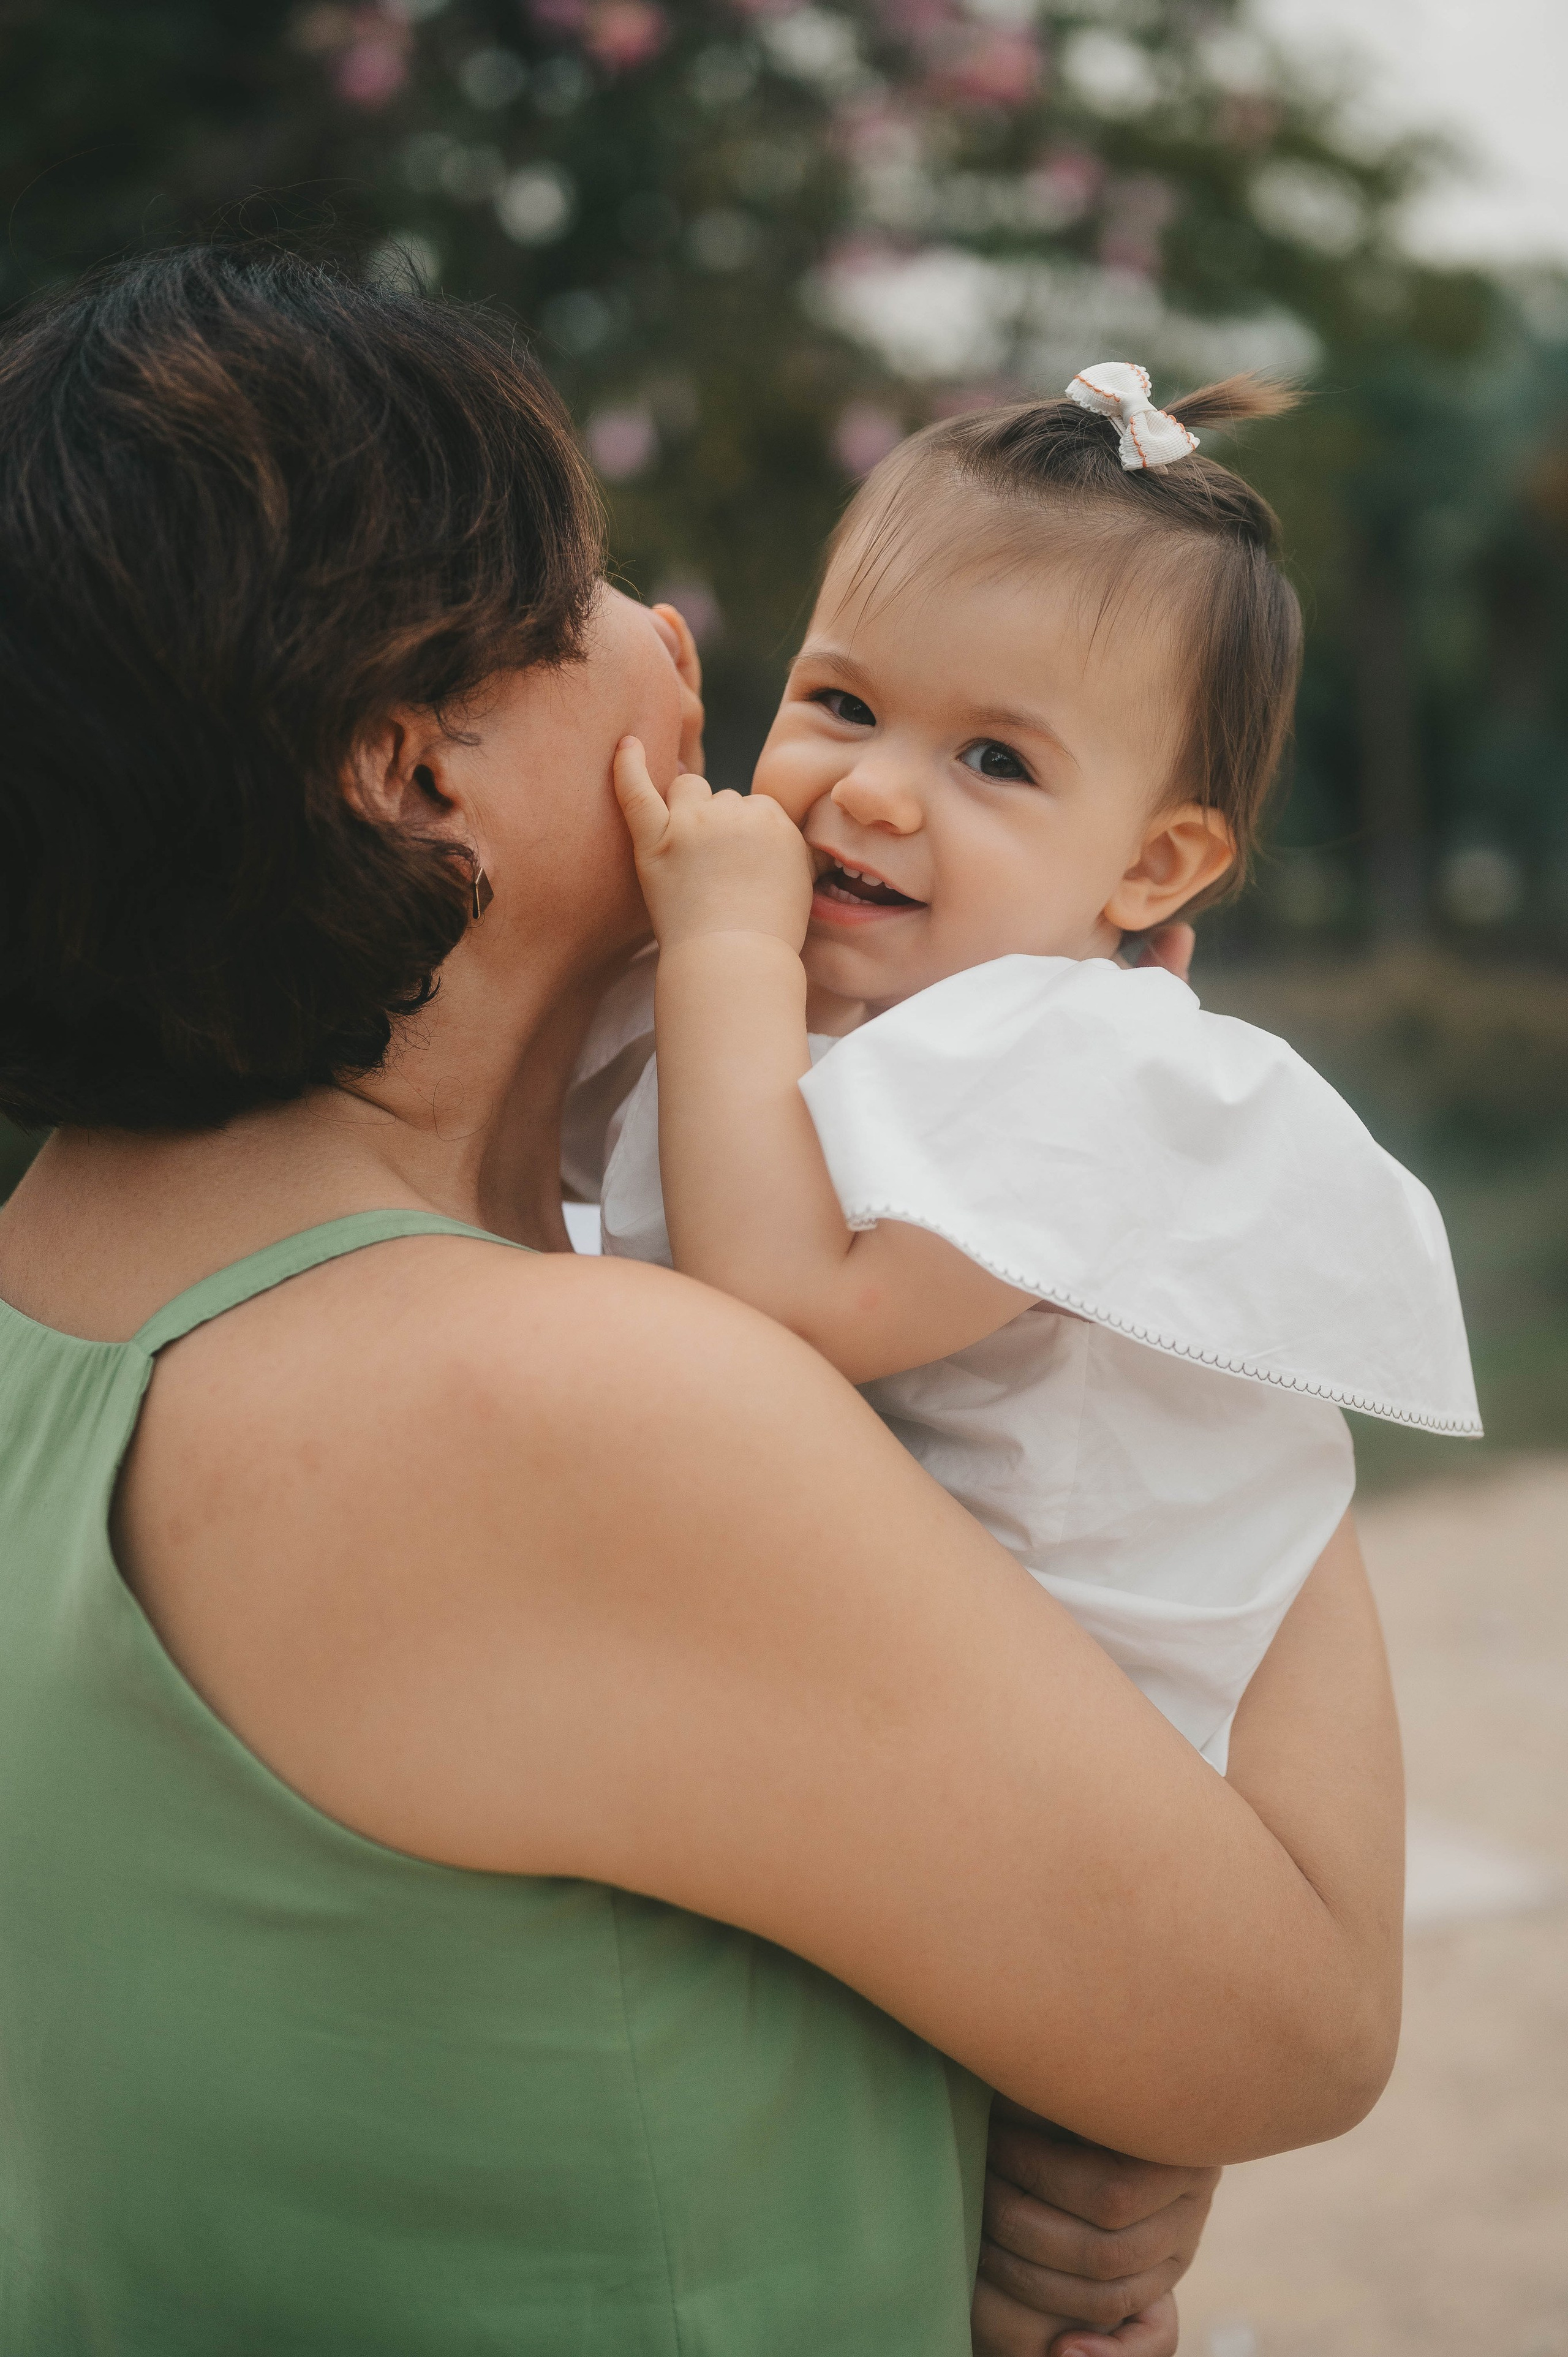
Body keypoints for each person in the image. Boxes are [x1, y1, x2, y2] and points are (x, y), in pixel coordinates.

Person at [0, 249, 1403, 2357]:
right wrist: (1148, 1257)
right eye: (577, 587)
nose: (672, 634)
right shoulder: (567, 1407)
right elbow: (1295, 2014)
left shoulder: (80, 1296)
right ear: (413, 776)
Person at [600, 360, 1479, 1773]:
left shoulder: (1088, 1067)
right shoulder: (816, 1003)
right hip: (879, 1657)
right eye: (839, 702)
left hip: (1074, 1739)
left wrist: (722, 955)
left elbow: (781, 1315)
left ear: (1148, 865)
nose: (873, 790)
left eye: (994, 759)